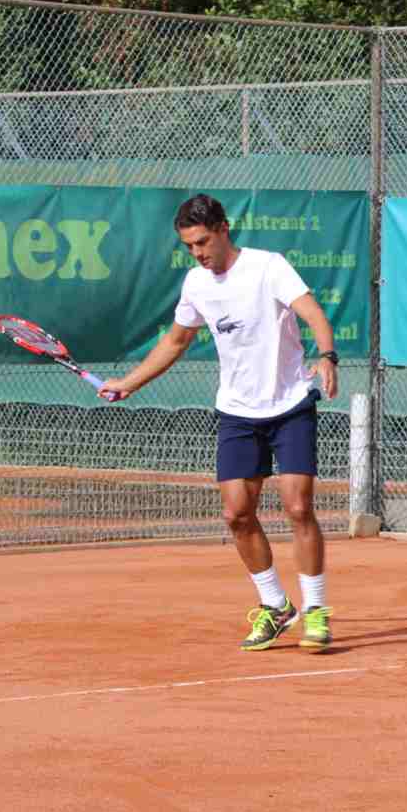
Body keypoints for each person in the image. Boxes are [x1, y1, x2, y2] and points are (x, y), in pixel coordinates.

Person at [100, 194, 341, 651]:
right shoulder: (196, 283)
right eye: (189, 246)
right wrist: (129, 383)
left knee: (297, 507)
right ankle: (276, 606)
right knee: (236, 514)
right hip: (236, 412)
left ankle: (315, 610)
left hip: (290, 404)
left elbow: (313, 314)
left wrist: (327, 355)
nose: (198, 253)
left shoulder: (268, 266)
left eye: (203, 242)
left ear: (223, 229)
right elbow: (175, 342)